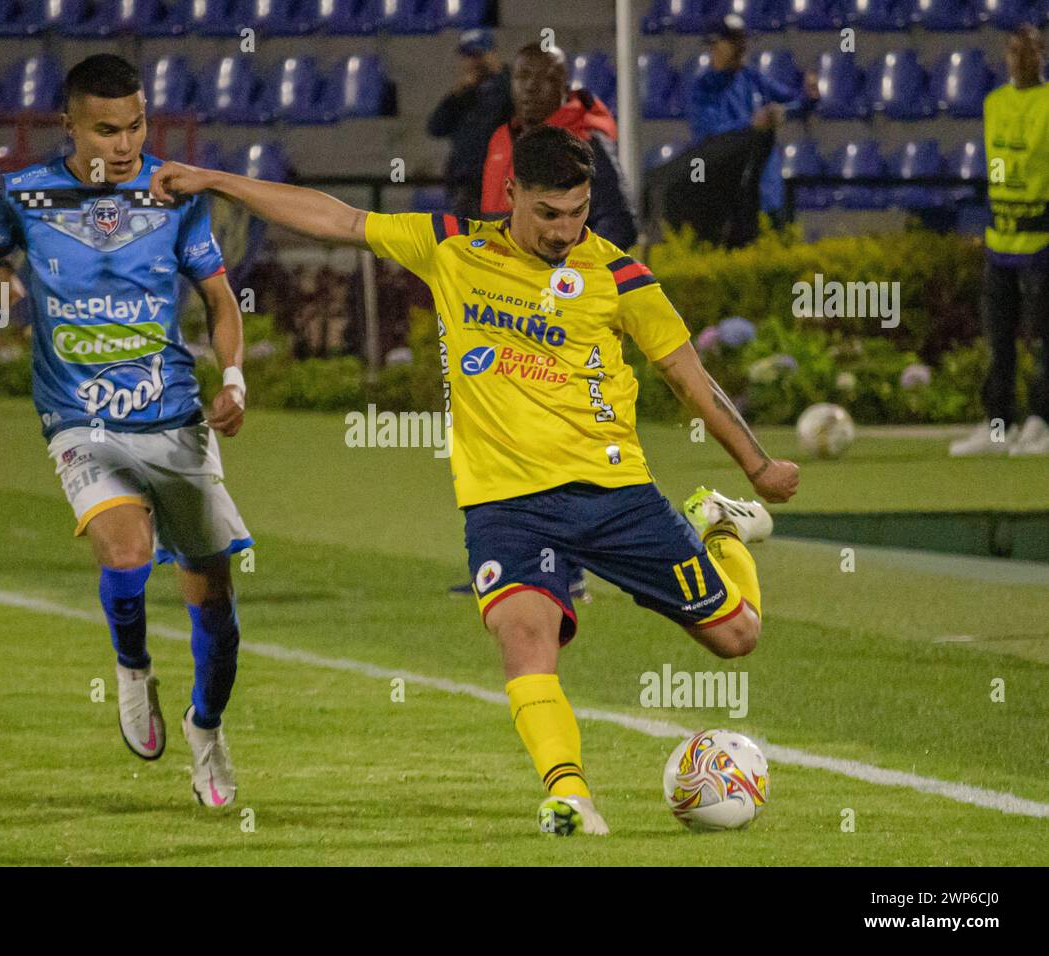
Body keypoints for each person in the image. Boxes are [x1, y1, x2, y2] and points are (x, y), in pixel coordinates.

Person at [149, 125, 799, 835]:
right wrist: (216, 181)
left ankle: (723, 526)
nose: (564, 230)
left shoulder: (618, 276)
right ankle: (569, 796)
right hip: (507, 503)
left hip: (615, 495)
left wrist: (758, 465)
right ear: (512, 193)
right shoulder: (452, 244)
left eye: (577, 212)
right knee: (526, 635)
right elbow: (335, 218)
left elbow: (690, 377)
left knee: (737, 637)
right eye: (549, 214)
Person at [0, 54, 253, 807]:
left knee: (212, 598)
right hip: (79, 419)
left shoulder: (173, 195)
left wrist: (234, 376)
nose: (124, 143)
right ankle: (133, 668)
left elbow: (218, 297)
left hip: (173, 416)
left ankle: (205, 728)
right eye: (106, 129)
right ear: (69, 126)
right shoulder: (22, 196)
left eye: (136, 125)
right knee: (126, 548)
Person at [951, 25, 1049, 457]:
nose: (1022, 59)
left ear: (1042, 56)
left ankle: (1041, 423)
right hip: (1000, 240)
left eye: (1031, 52)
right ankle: (998, 428)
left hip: (1041, 241)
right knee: (999, 341)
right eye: (1014, 51)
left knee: (1043, 340)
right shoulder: (994, 103)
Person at [670, 15, 818, 246]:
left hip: (765, 187)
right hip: (725, 190)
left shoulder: (751, 77)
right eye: (734, 41)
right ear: (716, 45)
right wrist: (751, 124)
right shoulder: (703, 88)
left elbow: (791, 104)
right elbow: (708, 133)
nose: (742, 47)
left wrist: (806, 99)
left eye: (742, 41)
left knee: (774, 249)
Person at [481, 43, 639, 250]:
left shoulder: (584, 142)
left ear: (564, 89)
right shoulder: (500, 139)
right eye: (522, 76)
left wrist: (572, 269)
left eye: (545, 77)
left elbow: (619, 222)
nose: (531, 86)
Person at [426, 28, 513, 219]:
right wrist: (456, 95)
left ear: (492, 54)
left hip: (498, 183)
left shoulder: (508, 86)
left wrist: (499, 74)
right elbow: (435, 128)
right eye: (468, 56)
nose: (473, 62)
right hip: (463, 182)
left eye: (478, 55)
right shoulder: (463, 94)